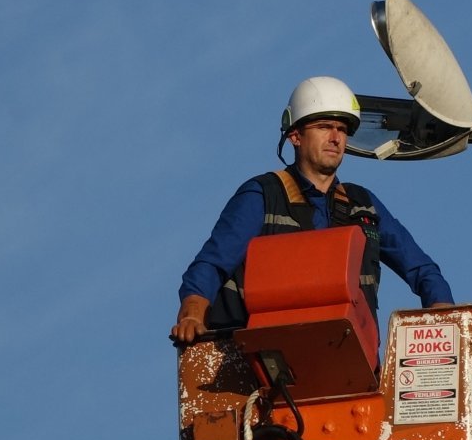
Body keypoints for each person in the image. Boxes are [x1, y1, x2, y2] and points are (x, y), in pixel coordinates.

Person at [172, 76, 454, 343]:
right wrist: (193, 313)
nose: (335, 137)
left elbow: (421, 267)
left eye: (342, 130)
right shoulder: (263, 194)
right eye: (324, 127)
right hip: (263, 360)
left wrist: (444, 312)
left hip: (348, 366)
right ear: (295, 136)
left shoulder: (362, 205)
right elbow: (213, 262)